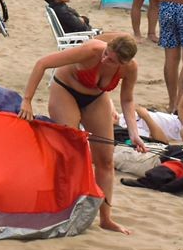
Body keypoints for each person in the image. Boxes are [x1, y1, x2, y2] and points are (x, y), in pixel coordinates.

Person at [20, 34, 145, 234]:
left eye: (111, 60)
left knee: (105, 160)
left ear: (124, 62)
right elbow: (42, 63)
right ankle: (58, 208)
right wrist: (27, 100)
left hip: (96, 97)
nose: (105, 59)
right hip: (65, 90)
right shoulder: (91, 50)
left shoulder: (130, 68)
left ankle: (106, 218)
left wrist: (134, 133)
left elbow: (128, 100)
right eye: (106, 54)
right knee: (71, 152)